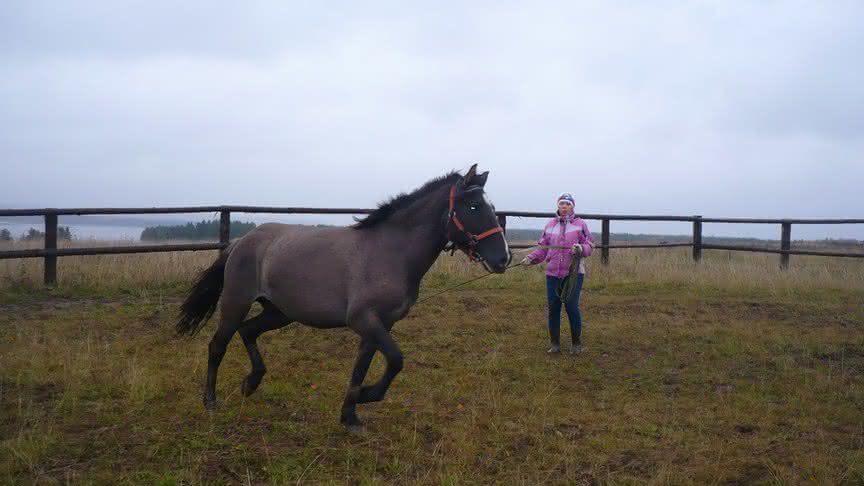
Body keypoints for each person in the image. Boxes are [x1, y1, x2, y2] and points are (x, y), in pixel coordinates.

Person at [520, 193, 594, 354]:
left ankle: (576, 344)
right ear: (558, 206)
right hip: (552, 273)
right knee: (553, 308)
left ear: (572, 206)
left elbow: (589, 245)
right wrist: (530, 259)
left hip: (573, 273)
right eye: (562, 204)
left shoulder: (580, 225)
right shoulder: (549, 226)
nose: (564, 207)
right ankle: (555, 344)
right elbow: (542, 249)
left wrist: (580, 249)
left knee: (571, 307)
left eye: (567, 204)